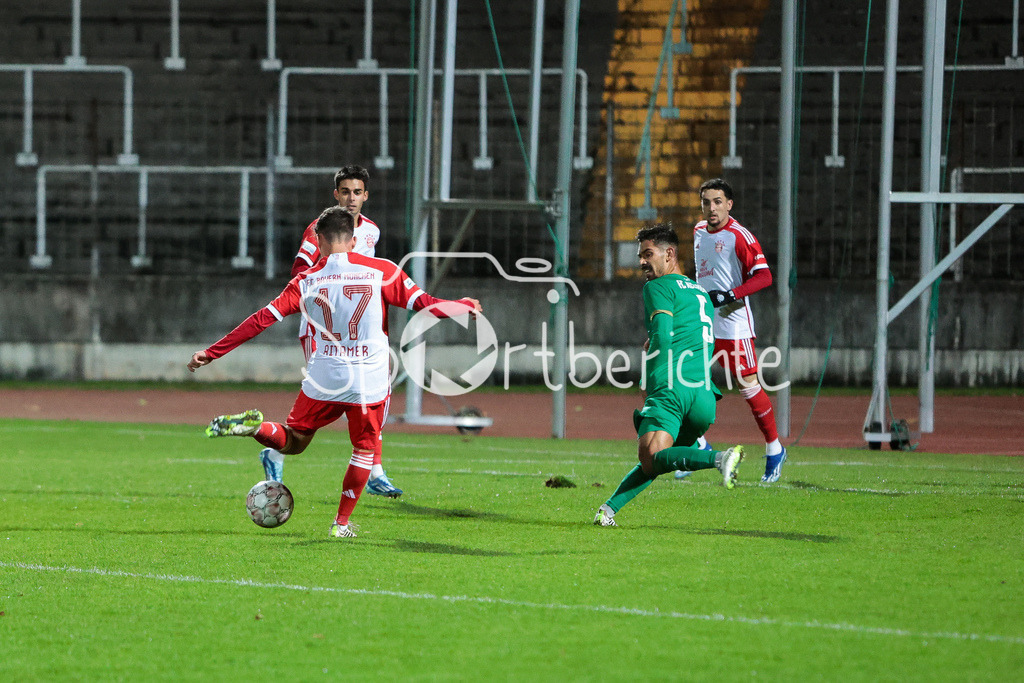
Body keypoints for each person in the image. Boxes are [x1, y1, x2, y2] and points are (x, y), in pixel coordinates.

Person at [188, 206, 482, 538]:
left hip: (324, 376)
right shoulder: (383, 271)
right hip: (367, 380)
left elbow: (261, 320)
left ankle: (256, 427)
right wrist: (462, 305)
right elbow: (425, 304)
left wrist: (211, 353)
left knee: (294, 442)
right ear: (354, 240)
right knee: (364, 450)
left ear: (319, 240)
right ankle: (341, 524)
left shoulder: (306, 280)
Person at [260, 165, 403, 499]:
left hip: (358, 331)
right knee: (323, 394)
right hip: (321, 329)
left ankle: (375, 471)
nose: (351, 198)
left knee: (374, 390)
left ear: (366, 196)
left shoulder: (371, 231)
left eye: (357, 192)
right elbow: (300, 272)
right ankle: (277, 452)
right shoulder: (319, 231)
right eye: (345, 192)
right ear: (335, 194)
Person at [593, 224, 744, 528]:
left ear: (669, 254)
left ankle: (718, 458)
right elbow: (695, 337)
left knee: (652, 455)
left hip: (671, 388)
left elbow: (662, 336)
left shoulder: (658, 287)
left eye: (648, 254)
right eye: (640, 256)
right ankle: (607, 511)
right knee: (658, 459)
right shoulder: (699, 293)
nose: (641, 262)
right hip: (703, 396)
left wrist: (648, 382)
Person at [693, 177, 787, 483]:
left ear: (729, 204)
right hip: (704, 322)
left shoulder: (739, 236)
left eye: (718, 202)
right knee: (685, 377)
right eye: (706, 202)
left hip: (733, 325)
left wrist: (731, 294)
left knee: (748, 386)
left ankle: (774, 449)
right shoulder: (697, 231)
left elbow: (764, 276)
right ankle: (698, 445)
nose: (712, 208)